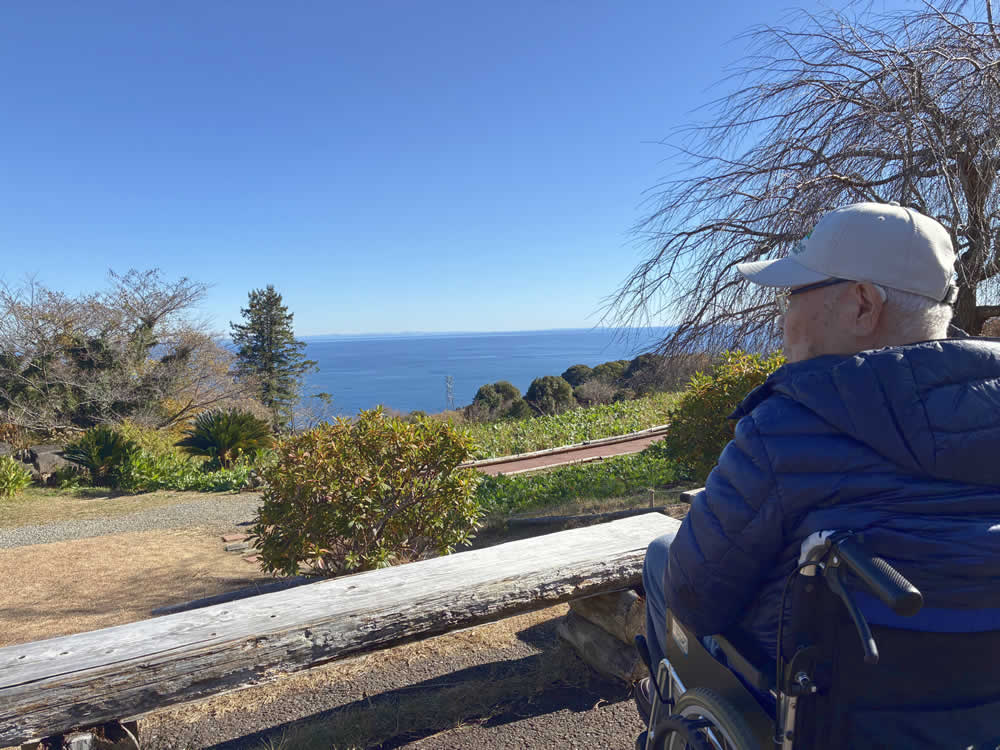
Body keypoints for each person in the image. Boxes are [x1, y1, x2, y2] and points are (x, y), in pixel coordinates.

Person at [635, 202, 1000, 720]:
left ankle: (667, 713)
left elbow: (693, 597)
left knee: (661, 557)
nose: (784, 317)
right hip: (976, 710)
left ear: (862, 305)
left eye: (793, 294)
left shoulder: (788, 429)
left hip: (816, 707)